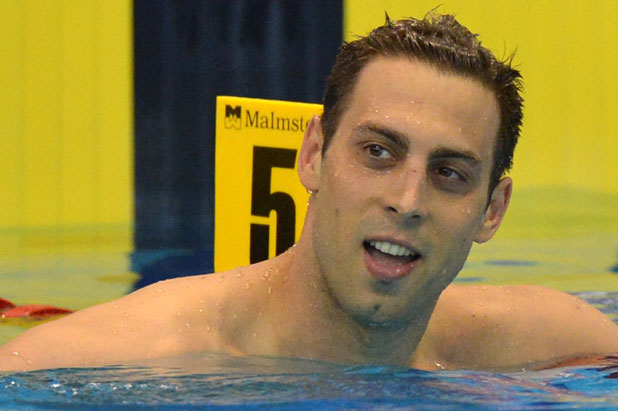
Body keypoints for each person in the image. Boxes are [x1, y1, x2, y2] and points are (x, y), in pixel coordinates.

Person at [2, 13, 617, 372]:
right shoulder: (134, 359)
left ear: (492, 211)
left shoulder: (546, 344)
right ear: (313, 154)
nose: (407, 201)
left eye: (448, 173)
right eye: (378, 152)